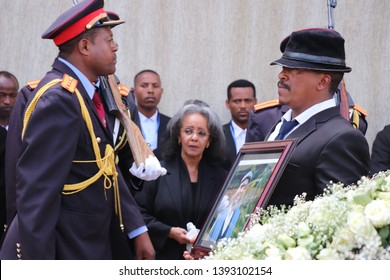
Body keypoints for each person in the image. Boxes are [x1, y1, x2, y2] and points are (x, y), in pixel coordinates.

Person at [0, 0, 166, 260]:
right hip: (67, 246)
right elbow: (37, 198)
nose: (115, 46)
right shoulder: (60, 98)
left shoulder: (84, 93)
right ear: (85, 46)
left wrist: (136, 228)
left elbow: (105, 167)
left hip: (89, 241)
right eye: (108, 40)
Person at [264, 28, 370, 207]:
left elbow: (337, 219)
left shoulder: (342, 138)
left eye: (293, 69)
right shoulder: (280, 127)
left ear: (323, 82)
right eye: (283, 67)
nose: (281, 75)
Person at [134, 103, 228, 259]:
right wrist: (168, 231)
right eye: (188, 131)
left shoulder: (221, 178)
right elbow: (138, 213)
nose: (194, 138)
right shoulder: (158, 172)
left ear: (209, 141)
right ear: (178, 135)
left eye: (202, 133)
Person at [132, 69, 171, 160]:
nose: (150, 90)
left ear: (161, 91)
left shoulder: (171, 125)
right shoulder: (127, 123)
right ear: (133, 91)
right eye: (144, 86)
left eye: (155, 86)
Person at [207, 171, 252, 242]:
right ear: (236, 188)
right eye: (242, 186)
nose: (242, 191)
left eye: (245, 189)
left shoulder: (239, 215)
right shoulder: (223, 204)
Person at [222, 79, 257, 170]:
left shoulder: (265, 134)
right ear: (228, 103)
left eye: (247, 101)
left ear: (255, 103)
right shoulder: (218, 135)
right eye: (237, 101)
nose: (243, 106)